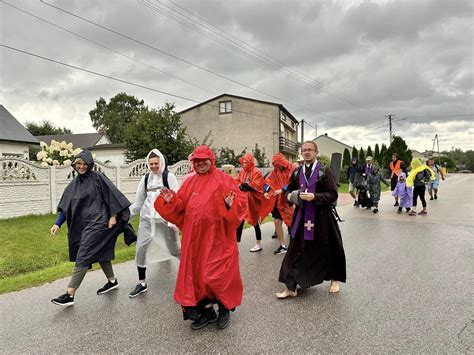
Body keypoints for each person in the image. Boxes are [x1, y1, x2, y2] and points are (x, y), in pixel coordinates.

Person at [154, 145, 247, 330]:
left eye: (204, 160)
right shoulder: (190, 182)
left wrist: (230, 205)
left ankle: (224, 309)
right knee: (197, 276)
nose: (200, 163)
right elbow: (180, 205)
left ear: (211, 160)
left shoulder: (224, 180)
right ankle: (207, 311)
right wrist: (170, 200)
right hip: (194, 239)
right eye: (196, 160)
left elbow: (241, 203)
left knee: (217, 274)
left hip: (218, 238)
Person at [50, 150, 131, 306]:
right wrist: (57, 223)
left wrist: (113, 215)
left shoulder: (98, 178)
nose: (81, 166)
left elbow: (111, 195)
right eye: (78, 164)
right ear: (74, 165)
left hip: (99, 221)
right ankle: (112, 281)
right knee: (100, 251)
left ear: (89, 164)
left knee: (84, 254)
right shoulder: (73, 184)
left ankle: (70, 294)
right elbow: (67, 206)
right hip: (84, 224)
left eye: (84, 164)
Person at [276, 141, 346, 298]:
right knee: (295, 250)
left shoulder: (324, 171)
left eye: (310, 150)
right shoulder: (297, 172)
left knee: (331, 248)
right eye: (304, 150)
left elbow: (333, 195)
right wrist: (289, 196)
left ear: (316, 152)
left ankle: (334, 279)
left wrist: (315, 196)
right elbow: (290, 189)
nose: (307, 152)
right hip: (301, 218)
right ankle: (291, 287)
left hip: (322, 218)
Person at [128, 149, 181, 298]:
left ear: (161, 162)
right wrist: (124, 218)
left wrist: (172, 205)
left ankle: (191, 274)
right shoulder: (145, 179)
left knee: (175, 250)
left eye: (156, 163)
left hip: (165, 222)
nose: (153, 166)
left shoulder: (169, 177)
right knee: (140, 249)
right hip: (147, 220)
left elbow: (177, 199)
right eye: (151, 164)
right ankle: (142, 283)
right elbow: (138, 203)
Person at [261, 153, 295, 255]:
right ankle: (283, 245)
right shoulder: (275, 170)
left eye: (277, 165)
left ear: (282, 163)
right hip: (279, 201)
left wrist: (282, 190)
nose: (276, 167)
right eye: (275, 166)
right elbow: (268, 181)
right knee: (277, 222)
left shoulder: (292, 169)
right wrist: (266, 192)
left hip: (290, 199)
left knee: (294, 223)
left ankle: (297, 245)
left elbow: (294, 183)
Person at [235, 153, 265, 252]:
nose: (244, 164)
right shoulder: (242, 172)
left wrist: (246, 185)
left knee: (255, 221)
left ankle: (258, 243)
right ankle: (236, 245)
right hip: (243, 201)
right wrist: (241, 185)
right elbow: (237, 182)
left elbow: (257, 185)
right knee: (240, 222)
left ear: (250, 162)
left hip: (253, 201)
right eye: (243, 162)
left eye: (246, 162)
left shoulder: (257, 172)